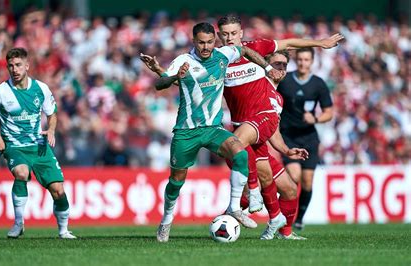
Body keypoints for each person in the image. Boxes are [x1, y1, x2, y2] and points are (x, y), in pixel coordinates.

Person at [144, 22, 284, 243]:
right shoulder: (184, 61)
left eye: (210, 42)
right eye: (201, 42)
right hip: (186, 131)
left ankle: (235, 207)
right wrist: (174, 77)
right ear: (194, 41)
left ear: (214, 41)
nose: (206, 47)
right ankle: (166, 219)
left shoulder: (223, 54)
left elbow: (245, 49)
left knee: (240, 153)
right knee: (176, 181)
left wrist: (267, 69)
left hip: (213, 129)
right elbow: (160, 83)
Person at [217, 14, 342, 239]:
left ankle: (283, 231)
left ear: (241, 34)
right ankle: (245, 207)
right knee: (259, 181)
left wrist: (285, 150)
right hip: (241, 135)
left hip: (257, 136)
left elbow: (271, 126)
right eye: (225, 34)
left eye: (234, 33)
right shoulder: (218, 61)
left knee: (290, 188)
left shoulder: (276, 95)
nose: (229, 38)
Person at [0, 47, 76, 239]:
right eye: (10, 66)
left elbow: (52, 113)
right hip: (14, 147)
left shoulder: (41, 88)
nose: (14, 70)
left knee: (58, 190)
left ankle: (63, 230)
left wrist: (51, 129)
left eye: (17, 65)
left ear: (27, 66)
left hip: (39, 146)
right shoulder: (0, 92)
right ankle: (18, 223)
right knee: (21, 173)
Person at [277, 47, 334, 231]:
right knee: (294, 176)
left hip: (309, 138)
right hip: (288, 137)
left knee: (307, 181)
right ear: (297, 60)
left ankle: (299, 218)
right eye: (300, 59)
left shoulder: (318, 84)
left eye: (306, 60)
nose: (303, 63)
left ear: (312, 61)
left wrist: (316, 119)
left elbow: (329, 113)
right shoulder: (285, 81)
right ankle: (283, 217)